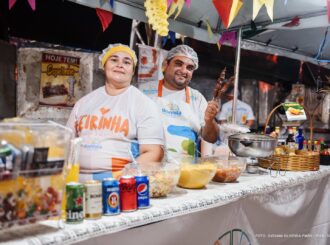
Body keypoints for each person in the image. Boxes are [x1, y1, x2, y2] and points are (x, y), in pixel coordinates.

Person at [66, 43, 164, 181]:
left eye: (126, 62)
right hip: (76, 181)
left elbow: (154, 152)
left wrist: (125, 177)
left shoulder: (143, 104)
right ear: (104, 65)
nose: (120, 64)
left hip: (116, 183)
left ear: (133, 70)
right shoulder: (83, 103)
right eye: (114, 60)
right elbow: (66, 145)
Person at [143, 45, 219, 157]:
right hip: (150, 168)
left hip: (186, 170)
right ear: (165, 65)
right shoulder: (144, 92)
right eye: (178, 64)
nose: (184, 70)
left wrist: (209, 121)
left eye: (189, 68)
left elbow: (211, 138)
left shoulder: (197, 98)